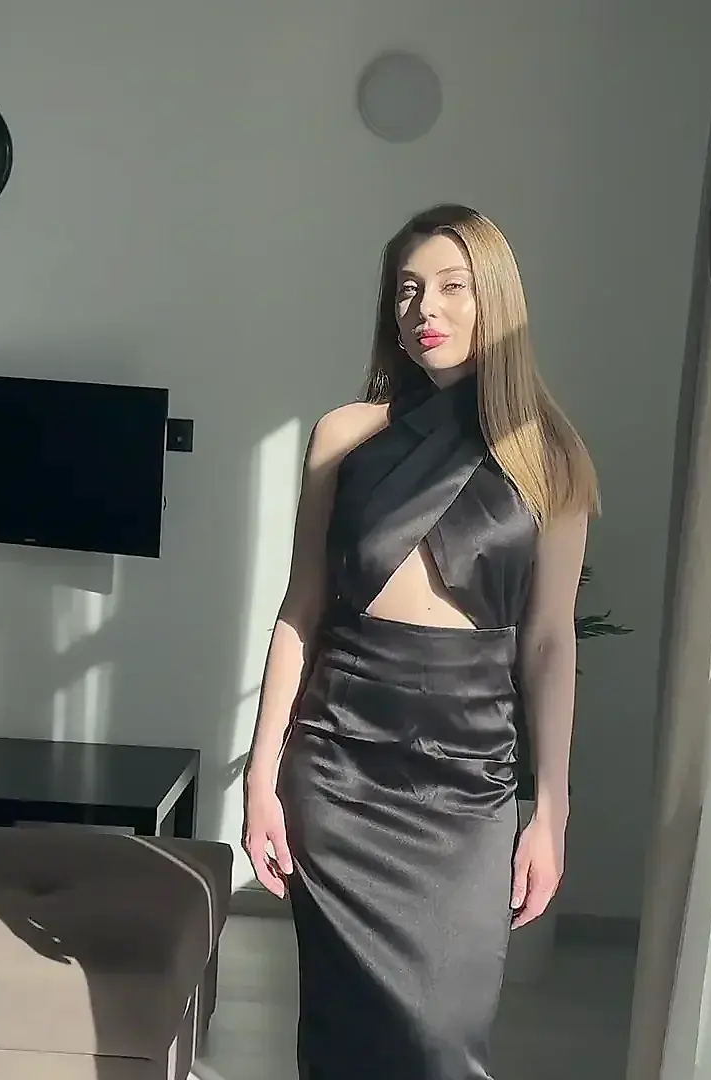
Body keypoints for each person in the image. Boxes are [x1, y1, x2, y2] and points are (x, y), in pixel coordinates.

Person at [240, 203, 598, 1080]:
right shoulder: (344, 436)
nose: (423, 308)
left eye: (450, 286)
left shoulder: (550, 455)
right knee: (344, 1040)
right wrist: (260, 775)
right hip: (340, 767)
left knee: (442, 1045)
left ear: (495, 300)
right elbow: (301, 608)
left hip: (470, 778)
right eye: (406, 290)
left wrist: (550, 810)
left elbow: (550, 644)